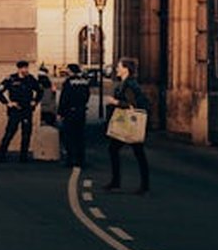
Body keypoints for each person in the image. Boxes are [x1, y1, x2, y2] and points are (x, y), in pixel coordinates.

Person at [104, 57, 150, 193]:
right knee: (134, 152)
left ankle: (119, 183)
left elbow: (132, 104)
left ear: (126, 69)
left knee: (127, 151)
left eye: (119, 66)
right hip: (127, 123)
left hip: (129, 124)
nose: (116, 69)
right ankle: (139, 185)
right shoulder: (126, 83)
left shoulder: (129, 84)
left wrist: (114, 102)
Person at [0, 60, 42, 163]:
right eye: (24, 68)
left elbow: (40, 91)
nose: (26, 70)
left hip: (27, 109)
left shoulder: (31, 79)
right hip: (15, 109)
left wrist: (35, 101)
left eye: (27, 68)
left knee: (26, 133)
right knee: (10, 132)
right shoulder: (11, 79)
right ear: (19, 69)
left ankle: (23, 156)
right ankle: (1, 155)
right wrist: (7, 103)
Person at [56, 62, 93, 168]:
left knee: (69, 136)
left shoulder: (68, 82)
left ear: (71, 71)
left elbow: (64, 98)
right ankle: (81, 159)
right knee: (80, 136)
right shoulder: (84, 82)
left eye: (67, 69)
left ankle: (70, 159)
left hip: (70, 112)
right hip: (81, 111)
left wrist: (60, 112)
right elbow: (87, 95)